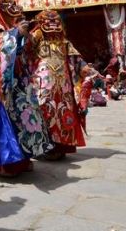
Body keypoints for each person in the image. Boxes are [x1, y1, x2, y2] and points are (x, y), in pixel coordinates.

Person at [0, 0, 52, 177]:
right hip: (1, 84)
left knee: (26, 118)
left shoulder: (14, 27)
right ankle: (6, 164)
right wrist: (14, 35)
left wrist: (26, 36)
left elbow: (29, 51)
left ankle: (24, 157)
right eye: (8, 6)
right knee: (6, 121)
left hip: (20, 80)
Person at [30, 10, 86, 161]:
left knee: (63, 113)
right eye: (48, 21)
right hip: (42, 83)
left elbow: (76, 58)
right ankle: (43, 146)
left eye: (55, 20)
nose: (53, 24)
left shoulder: (64, 41)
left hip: (63, 84)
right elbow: (25, 53)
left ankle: (61, 145)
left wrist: (87, 69)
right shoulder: (36, 38)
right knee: (43, 110)